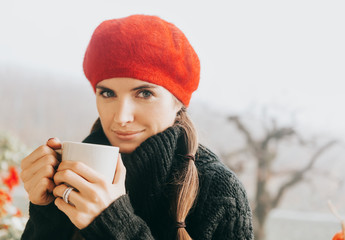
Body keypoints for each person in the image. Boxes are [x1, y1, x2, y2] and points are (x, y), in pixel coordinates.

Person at [20, 14, 254, 240]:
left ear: (178, 101)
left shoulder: (219, 192)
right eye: (107, 93)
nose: (121, 117)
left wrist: (114, 224)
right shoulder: (70, 175)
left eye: (144, 93)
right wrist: (46, 211)